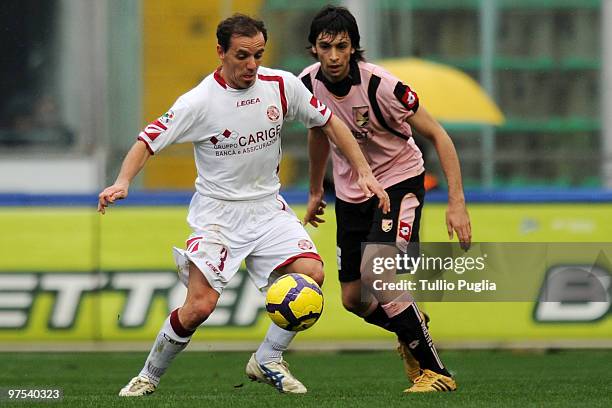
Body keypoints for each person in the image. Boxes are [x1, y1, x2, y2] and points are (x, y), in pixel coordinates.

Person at [98, 14, 389, 397]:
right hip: (218, 217)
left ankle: (268, 357)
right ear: (220, 52)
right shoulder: (199, 102)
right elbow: (147, 140)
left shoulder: (281, 85)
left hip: (268, 209)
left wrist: (364, 171)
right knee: (199, 307)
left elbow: (329, 122)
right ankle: (148, 375)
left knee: (311, 275)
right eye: (241, 56)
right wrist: (122, 181)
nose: (251, 65)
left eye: (258, 55)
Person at [300, 6, 471, 393]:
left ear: (354, 48)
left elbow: (439, 136)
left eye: (342, 46)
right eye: (325, 46)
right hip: (350, 193)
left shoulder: (383, 87)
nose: (333, 56)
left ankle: (437, 372)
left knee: (379, 272)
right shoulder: (307, 85)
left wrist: (456, 202)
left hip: (399, 182)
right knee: (352, 299)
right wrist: (315, 191)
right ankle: (413, 325)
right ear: (313, 49)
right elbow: (316, 134)